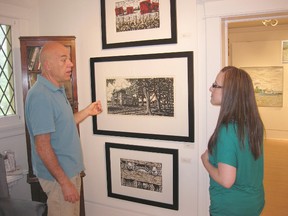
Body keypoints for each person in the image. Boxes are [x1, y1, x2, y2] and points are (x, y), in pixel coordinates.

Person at [25, 42, 103, 216]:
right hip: (60, 179)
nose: (71, 63)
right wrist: (64, 183)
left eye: (69, 59)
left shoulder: (57, 90)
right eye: (64, 60)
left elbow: (64, 124)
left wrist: (87, 112)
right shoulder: (41, 96)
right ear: (48, 66)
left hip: (67, 173)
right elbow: (42, 146)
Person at [201, 66, 265, 216]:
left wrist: (205, 162)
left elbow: (226, 180)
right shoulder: (253, 123)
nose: (211, 88)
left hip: (230, 208)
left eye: (215, 85)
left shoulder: (227, 130)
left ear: (230, 92)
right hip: (253, 203)